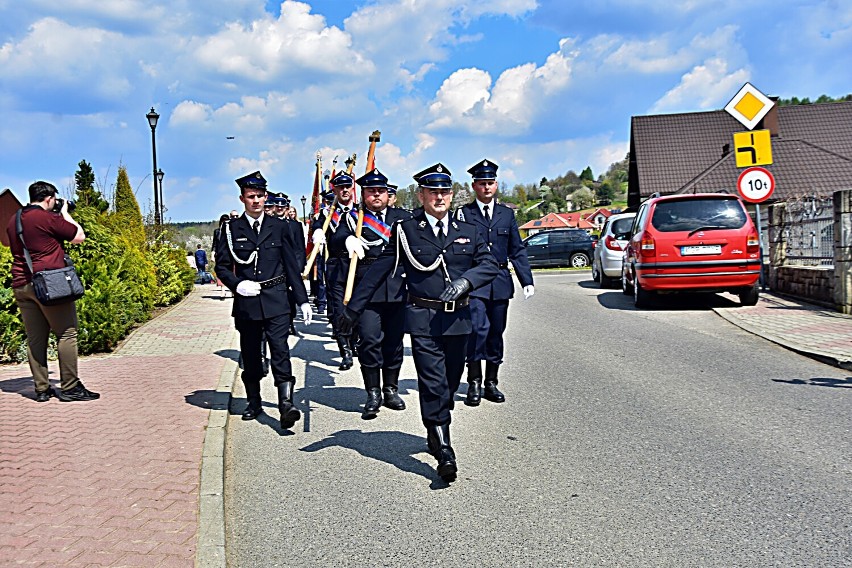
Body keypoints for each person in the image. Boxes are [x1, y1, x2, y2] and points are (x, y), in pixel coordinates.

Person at [338, 163, 498, 482]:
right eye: (432, 192)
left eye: (444, 192)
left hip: (459, 318)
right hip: (424, 317)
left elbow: (489, 263)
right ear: (421, 195)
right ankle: (444, 448)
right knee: (432, 381)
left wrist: (467, 282)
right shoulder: (407, 229)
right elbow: (379, 269)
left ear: (451, 195)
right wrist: (352, 310)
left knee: (451, 381)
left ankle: (436, 422)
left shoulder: (469, 229)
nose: (439, 197)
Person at [214, 171, 313, 430]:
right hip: (247, 302)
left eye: (260, 196)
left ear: (265, 196)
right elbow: (222, 267)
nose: (256, 201)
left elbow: (291, 265)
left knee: (280, 350)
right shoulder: (230, 230)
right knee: (251, 355)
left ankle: (286, 404)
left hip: (277, 298)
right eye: (251, 197)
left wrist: (302, 300)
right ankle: (254, 400)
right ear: (242, 198)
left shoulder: (280, 226)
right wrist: (237, 285)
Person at [5, 181, 99, 402]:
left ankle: (41, 389)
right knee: (67, 333)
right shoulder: (46, 217)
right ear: (49, 198)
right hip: (49, 284)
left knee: (36, 338)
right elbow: (79, 236)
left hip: (22, 284)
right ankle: (70, 387)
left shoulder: (14, 219)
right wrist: (64, 212)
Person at [329, 168, 411, 418]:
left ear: (388, 194)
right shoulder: (354, 217)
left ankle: (391, 388)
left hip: (397, 288)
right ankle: (373, 391)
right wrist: (345, 241)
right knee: (369, 341)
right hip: (366, 292)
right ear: (363, 194)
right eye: (371, 191)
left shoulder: (402, 217)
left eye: (381, 191)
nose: (376, 195)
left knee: (394, 343)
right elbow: (337, 238)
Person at [455, 160, 534, 405]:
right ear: (474, 186)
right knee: (477, 330)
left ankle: (491, 382)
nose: (487, 188)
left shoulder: (506, 214)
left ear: (496, 185)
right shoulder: (464, 214)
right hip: (476, 283)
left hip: (500, 281)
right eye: (482, 184)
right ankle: (474, 382)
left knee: (496, 333)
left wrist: (526, 279)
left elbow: (516, 249)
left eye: (490, 183)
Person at [311, 173, 357, 370]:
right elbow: (318, 226)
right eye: (341, 188)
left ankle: (354, 342)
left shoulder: (361, 212)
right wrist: (317, 231)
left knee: (357, 309)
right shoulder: (328, 214)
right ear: (335, 191)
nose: (345, 190)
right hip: (337, 268)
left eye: (348, 187)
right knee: (339, 311)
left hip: (359, 269)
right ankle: (345, 350)